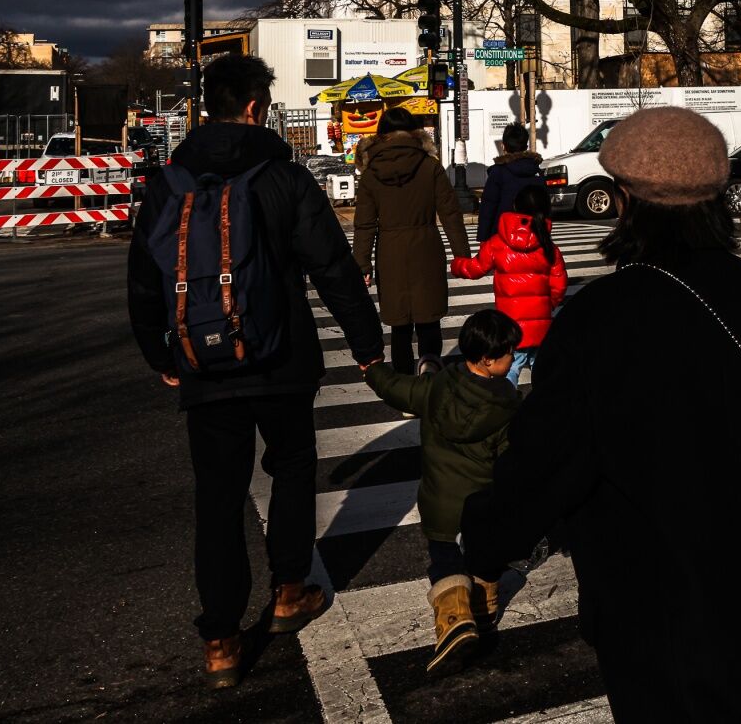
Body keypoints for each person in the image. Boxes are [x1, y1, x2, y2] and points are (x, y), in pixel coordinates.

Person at [464, 107, 741, 722]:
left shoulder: (596, 319)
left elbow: (545, 463)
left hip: (639, 588)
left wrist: (485, 541)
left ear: (626, 203)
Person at [125, 54, 383, 690]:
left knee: (217, 497)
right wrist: (366, 343)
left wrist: (162, 354)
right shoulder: (283, 176)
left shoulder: (170, 182)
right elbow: (332, 266)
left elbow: (144, 277)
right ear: (255, 106)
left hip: (204, 365)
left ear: (207, 104)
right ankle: (290, 590)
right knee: (291, 470)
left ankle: (220, 639)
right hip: (281, 357)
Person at [365, 307, 521, 677]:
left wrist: (373, 370)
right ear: (487, 359)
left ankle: (455, 620)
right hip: (481, 505)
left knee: (446, 561)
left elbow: (397, 389)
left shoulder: (436, 386)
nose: (513, 357)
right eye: (509, 352)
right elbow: (512, 462)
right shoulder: (507, 406)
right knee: (485, 560)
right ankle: (481, 613)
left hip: (439, 505)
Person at [354, 106, 470, 375]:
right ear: (415, 132)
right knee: (429, 319)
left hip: (390, 252)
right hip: (426, 247)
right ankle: (429, 370)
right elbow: (450, 213)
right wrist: (462, 255)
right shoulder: (429, 166)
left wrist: (362, 264)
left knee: (400, 325)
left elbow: (364, 224)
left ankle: (404, 381)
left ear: (380, 134)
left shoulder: (371, 173)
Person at [452, 184, 567, 385]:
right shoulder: (549, 247)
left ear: (515, 207)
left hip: (511, 326)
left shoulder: (497, 243)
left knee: (512, 367)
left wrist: (457, 265)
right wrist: (548, 305)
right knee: (542, 369)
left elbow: (476, 268)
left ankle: (508, 400)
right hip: (541, 325)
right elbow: (559, 285)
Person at [476, 122, 544, 243]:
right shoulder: (536, 170)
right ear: (526, 146)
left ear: (503, 146)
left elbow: (488, 207)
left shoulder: (498, 172)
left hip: (502, 237)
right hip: (533, 237)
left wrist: (483, 238)